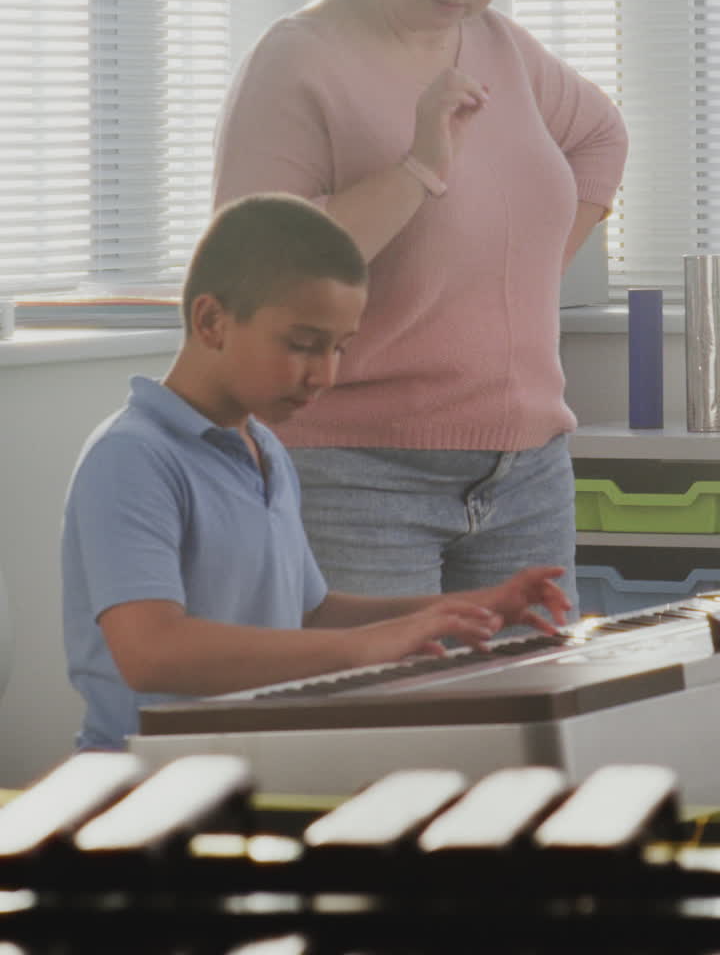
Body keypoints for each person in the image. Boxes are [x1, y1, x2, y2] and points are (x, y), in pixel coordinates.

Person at [211, 0, 628, 616]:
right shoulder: (300, 60)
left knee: (533, 727)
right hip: (359, 469)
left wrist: (517, 285)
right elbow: (255, 276)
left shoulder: (504, 50)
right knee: (392, 730)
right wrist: (415, 171)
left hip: (528, 468)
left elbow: (602, 140)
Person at [61, 193, 571, 752]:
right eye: (303, 345)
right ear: (211, 321)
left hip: (252, 765)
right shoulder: (132, 457)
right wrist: (365, 648)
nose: (325, 375)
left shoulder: (267, 450)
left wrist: (459, 610)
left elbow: (311, 614)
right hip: (144, 777)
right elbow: (152, 653)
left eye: (340, 349)